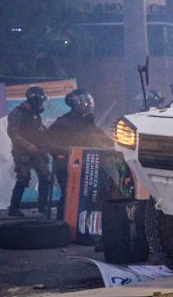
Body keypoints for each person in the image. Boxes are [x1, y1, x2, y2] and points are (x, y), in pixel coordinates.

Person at [45, 90, 114, 220]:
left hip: (88, 166)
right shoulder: (63, 123)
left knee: (92, 195)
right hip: (67, 165)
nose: (87, 105)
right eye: (84, 102)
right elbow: (48, 142)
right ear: (75, 104)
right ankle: (62, 224)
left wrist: (116, 145)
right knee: (68, 195)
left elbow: (102, 138)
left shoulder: (88, 123)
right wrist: (61, 153)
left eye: (88, 102)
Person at [6, 86, 52, 217]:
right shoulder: (18, 112)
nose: (42, 103)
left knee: (45, 176)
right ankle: (13, 208)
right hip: (22, 151)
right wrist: (28, 145)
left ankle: (43, 207)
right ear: (35, 100)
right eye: (41, 101)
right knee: (23, 178)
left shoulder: (35, 114)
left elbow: (38, 130)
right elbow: (12, 133)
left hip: (37, 149)